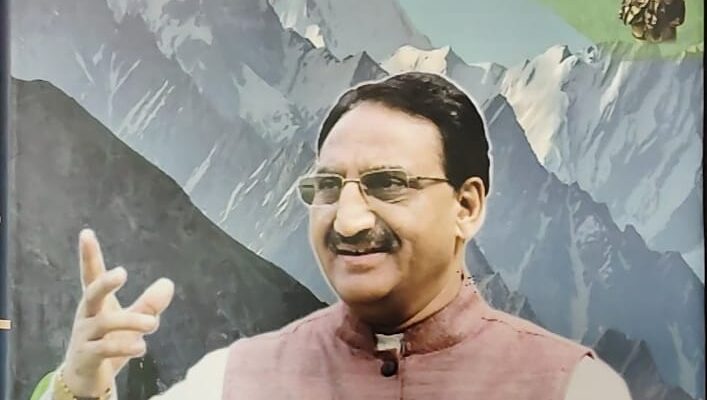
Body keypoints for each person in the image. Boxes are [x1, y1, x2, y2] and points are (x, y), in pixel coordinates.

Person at [39, 72, 631, 399]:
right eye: (327, 187)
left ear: (466, 205)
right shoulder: (234, 382)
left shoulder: (573, 389)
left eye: (387, 184)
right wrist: (80, 386)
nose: (348, 221)